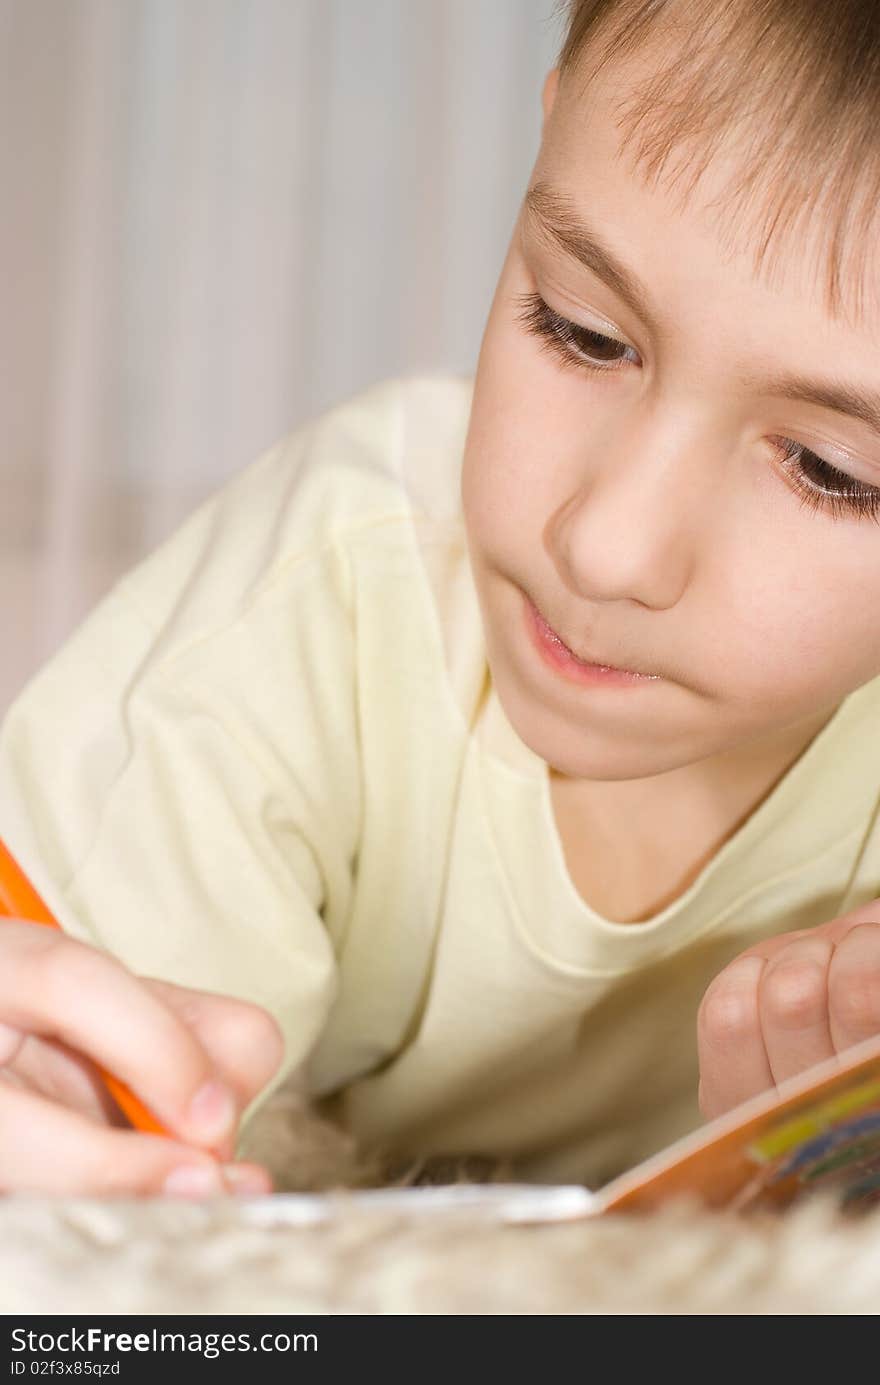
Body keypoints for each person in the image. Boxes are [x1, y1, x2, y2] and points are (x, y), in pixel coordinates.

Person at [3, 0, 880, 1198]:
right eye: (578, 332)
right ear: (549, 129)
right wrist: (59, 1108)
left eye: (829, 471)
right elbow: (66, 1090)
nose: (608, 546)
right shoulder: (325, 598)